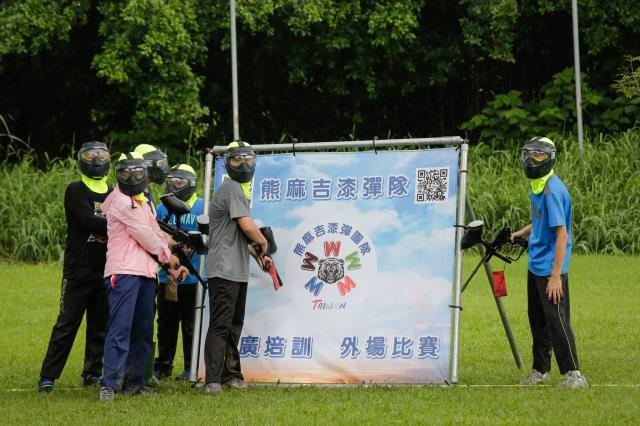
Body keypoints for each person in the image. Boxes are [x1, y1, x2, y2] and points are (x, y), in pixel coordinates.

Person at [99, 152, 185, 401]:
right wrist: (168, 256)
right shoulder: (122, 201)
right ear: (118, 175)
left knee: (143, 330)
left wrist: (167, 246)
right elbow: (145, 236)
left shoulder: (139, 199)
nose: (133, 177)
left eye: (138, 172)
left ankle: (135, 383)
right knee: (120, 329)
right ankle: (110, 385)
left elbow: (154, 230)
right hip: (124, 272)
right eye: (126, 173)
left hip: (146, 272)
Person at [511, 137, 588, 389]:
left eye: (539, 155)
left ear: (550, 158)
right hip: (535, 265)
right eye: (529, 154)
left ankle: (574, 375)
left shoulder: (552, 191)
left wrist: (556, 277)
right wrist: (523, 232)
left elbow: (562, 234)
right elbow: (542, 220)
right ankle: (540, 370)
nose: (532, 159)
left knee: (557, 321)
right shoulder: (538, 186)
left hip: (549, 271)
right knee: (538, 320)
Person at [37, 142, 112, 392]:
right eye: (91, 156)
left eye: (102, 155)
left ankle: (92, 372)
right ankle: (48, 376)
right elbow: (88, 221)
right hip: (78, 271)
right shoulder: (75, 190)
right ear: (81, 160)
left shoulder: (113, 191)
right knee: (66, 324)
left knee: (99, 326)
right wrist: (120, 223)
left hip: (105, 270)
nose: (97, 159)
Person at [203, 141, 271, 395]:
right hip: (224, 268)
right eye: (236, 160)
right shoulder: (231, 188)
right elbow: (246, 226)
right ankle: (212, 380)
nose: (243, 164)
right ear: (227, 164)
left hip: (236, 269)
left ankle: (230, 375)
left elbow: (241, 236)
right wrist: (263, 241)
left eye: (248, 159)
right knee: (222, 324)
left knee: (233, 325)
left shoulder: (236, 191)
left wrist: (259, 255)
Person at [154, 164, 204, 381]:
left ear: (191, 183)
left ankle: (190, 366)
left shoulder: (204, 207)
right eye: (172, 181)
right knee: (166, 323)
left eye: (181, 182)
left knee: (192, 325)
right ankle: (163, 364)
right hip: (168, 278)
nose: (175, 185)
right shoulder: (160, 209)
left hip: (195, 279)